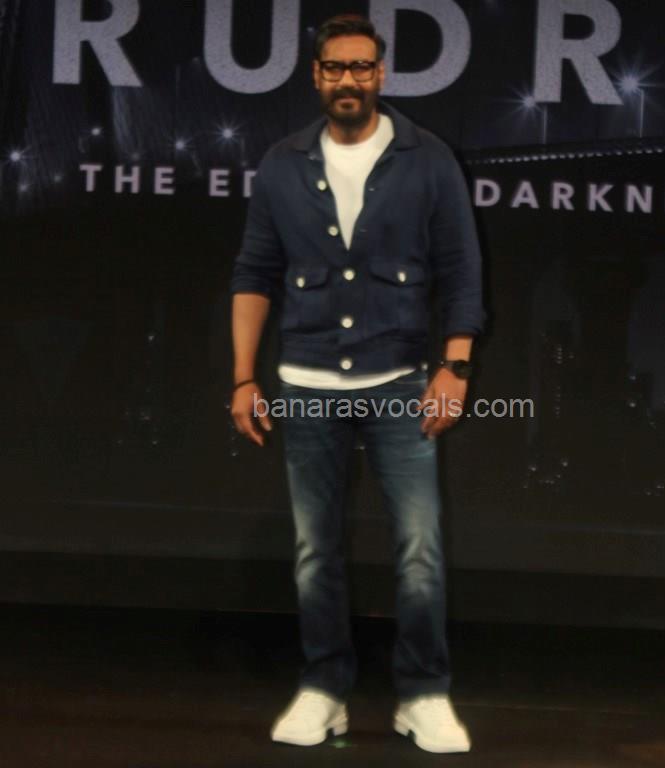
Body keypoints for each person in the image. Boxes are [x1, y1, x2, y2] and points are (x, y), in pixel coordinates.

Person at [229, 13, 485, 754]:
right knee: (316, 551)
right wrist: (243, 378)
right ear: (316, 76)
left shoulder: (428, 159)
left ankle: (424, 695)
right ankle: (324, 689)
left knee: (419, 547)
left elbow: (462, 271)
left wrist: (455, 367)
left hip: (401, 379)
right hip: (305, 381)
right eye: (335, 67)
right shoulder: (282, 164)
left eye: (362, 67)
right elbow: (253, 274)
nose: (349, 79)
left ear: (381, 74)